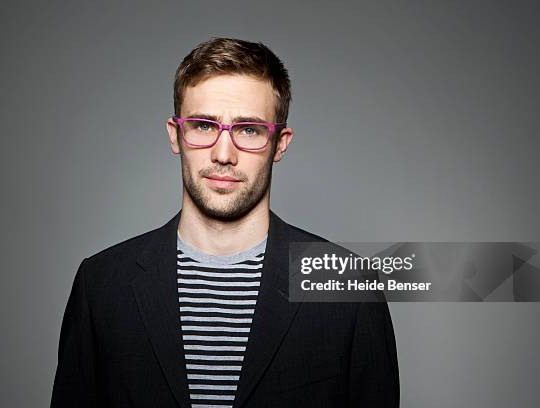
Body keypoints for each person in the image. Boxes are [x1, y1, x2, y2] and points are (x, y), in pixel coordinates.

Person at [50, 37, 399, 408]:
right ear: (175, 135)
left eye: (249, 130)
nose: (223, 154)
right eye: (203, 126)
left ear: (280, 143)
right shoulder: (102, 285)